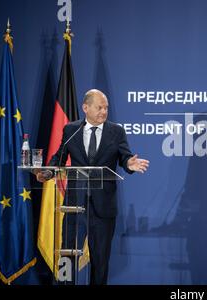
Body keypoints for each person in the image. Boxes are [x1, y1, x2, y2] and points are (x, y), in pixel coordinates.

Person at [36, 89, 149, 285]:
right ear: (85, 108)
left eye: (106, 108)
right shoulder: (71, 130)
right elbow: (60, 158)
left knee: (100, 259)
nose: (104, 112)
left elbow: (124, 157)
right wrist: (49, 172)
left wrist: (129, 164)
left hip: (103, 205)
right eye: (99, 107)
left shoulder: (116, 131)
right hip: (74, 204)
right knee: (67, 254)